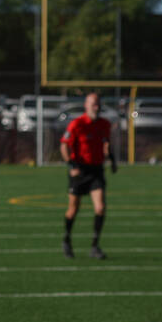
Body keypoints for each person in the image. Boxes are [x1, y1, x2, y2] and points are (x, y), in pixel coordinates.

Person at [60, 92, 116, 260]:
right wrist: (71, 165)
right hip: (80, 170)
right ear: (86, 105)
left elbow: (106, 143)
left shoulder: (105, 124)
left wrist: (112, 160)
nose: (97, 107)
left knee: (100, 208)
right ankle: (67, 240)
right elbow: (64, 146)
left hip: (96, 170)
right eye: (93, 104)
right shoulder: (77, 124)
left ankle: (94, 246)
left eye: (98, 104)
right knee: (73, 210)